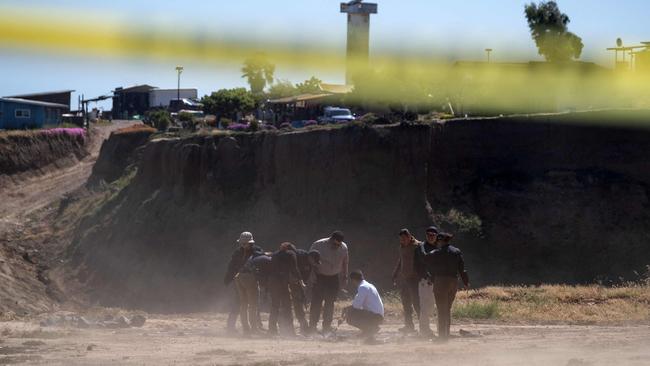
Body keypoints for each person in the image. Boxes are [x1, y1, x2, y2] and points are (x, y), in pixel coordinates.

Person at [424, 233, 470, 340]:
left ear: (440, 240)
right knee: (447, 309)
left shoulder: (436, 252)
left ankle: (442, 336)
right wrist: (466, 281)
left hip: (440, 281)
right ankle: (447, 334)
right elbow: (462, 269)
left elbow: (425, 258)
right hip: (453, 282)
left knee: (441, 309)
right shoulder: (457, 252)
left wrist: (422, 247)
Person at [308, 231, 349, 334]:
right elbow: (310, 260)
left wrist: (345, 276)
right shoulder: (318, 244)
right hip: (320, 277)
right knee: (316, 302)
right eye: (334, 244)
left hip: (333, 279)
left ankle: (326, 326)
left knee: (330, 303)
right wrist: (311, 276)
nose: (336, 246)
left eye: (338, 245)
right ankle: (312, 326)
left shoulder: (343, 247)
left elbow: (345, 262)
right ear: (330, 239)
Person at [223, 232, 263, 333]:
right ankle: (236, 327)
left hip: (252, 280)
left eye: (245, 243)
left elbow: (262, 264)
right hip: (239, 280)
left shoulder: (257, 251)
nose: (243, 245)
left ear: (250, 243)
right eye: (242, 243)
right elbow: (231, 266)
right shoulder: (238, 252)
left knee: (254, 304)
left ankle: (256, 327)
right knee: (240, 303)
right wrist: (228, 279)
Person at [268, 242, 303, 336]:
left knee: (275, 306)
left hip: (273, 282)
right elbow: (294, 269)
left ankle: (272, 330)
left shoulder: (275, 254)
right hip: (282, 283)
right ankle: (289, 331)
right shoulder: (291, 254)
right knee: (287, 306)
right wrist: (300, 280)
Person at [392, 229, 422, 334]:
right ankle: (409, 326)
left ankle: (423, 326)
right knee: (406, 303)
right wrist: (395, 273)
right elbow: (401, 260)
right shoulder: (401, 247)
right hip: (405, 279)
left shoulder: (418, 246)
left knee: (417, 303)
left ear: (409, 236)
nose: (402, 241)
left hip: (415, 279)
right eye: (401, 239)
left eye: (404, 239)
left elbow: (423, 261)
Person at [235, 252, 271, 335]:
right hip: (249, 277)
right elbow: (265, 275)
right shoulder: (269, 260)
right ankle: (254, 329)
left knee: (244, 304)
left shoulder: (255, 257)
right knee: (253, 304)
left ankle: (246, 329)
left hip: (239, 276)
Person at [344, 270, 384, 342]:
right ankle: (368, 331)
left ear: (353, 280)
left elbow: (356, 306)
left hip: (375, 317)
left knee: (350, 315)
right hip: (378, 316)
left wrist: (346, 311)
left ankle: (370, 329)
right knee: (351, 311)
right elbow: (357, 305)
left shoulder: (363, 287)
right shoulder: (368, 285)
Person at [413, 226, 439, 338]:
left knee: (437, 307)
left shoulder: (440, 248)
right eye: (429, 234)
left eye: (433, 235)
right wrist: (423, 276)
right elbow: (417, 264)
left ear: (436, 236)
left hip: (437, 281)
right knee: (424, 307)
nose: (431, 237)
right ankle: (424, 331)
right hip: (425, 282)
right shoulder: (421, 247)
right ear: (426, 235)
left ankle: (440, 330)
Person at [291, 248, 321, 334]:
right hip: (293, 281)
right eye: (314, 261)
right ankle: (302, 324)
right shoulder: (299, 257)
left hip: (301, 283)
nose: (314, 264)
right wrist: (300, 284)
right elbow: (295, 271)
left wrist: (305, 289)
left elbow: (307, 276)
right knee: (297, 303)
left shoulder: (310, 263)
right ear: (311, 257)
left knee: (301, 302)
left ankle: (303, 324)